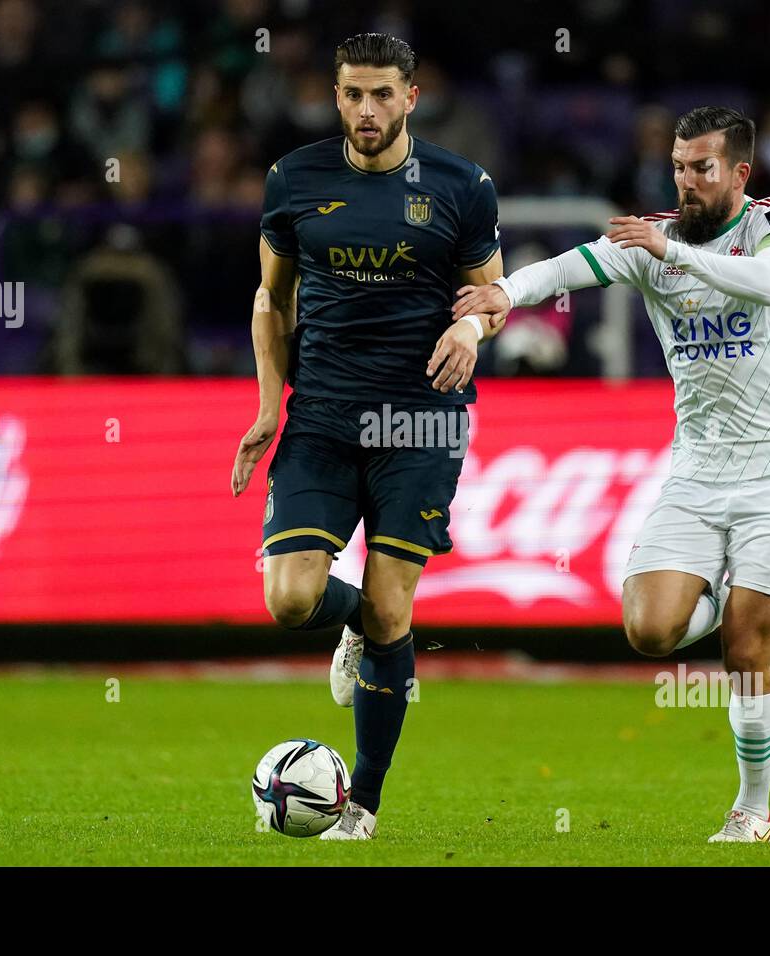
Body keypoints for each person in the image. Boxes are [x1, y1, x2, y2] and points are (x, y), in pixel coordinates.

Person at [454, 106, 770, 843]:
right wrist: (504, 294)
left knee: (746, 648)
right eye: (680, 167)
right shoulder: (650, 238)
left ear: (740, 174)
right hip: (696, 469)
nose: (687, 181)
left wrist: (673, 252)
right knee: (649, 631)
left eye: (703, 169)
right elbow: (573, 267)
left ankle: (752, 810)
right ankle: (731, 595)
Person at [231, 33, 504, 840]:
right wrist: (267, 404)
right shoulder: (294, 178)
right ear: (336, 95)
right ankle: (364, 628)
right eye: (353, 94)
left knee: (393, 613)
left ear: (411, 97)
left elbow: (493, 297)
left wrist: (474, 335)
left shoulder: (462, 186)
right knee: (290, 599)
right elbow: (270, 301)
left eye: (383, 94)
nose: (366, 110)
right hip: (321, 415)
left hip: (420, 421)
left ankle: (365, 805)